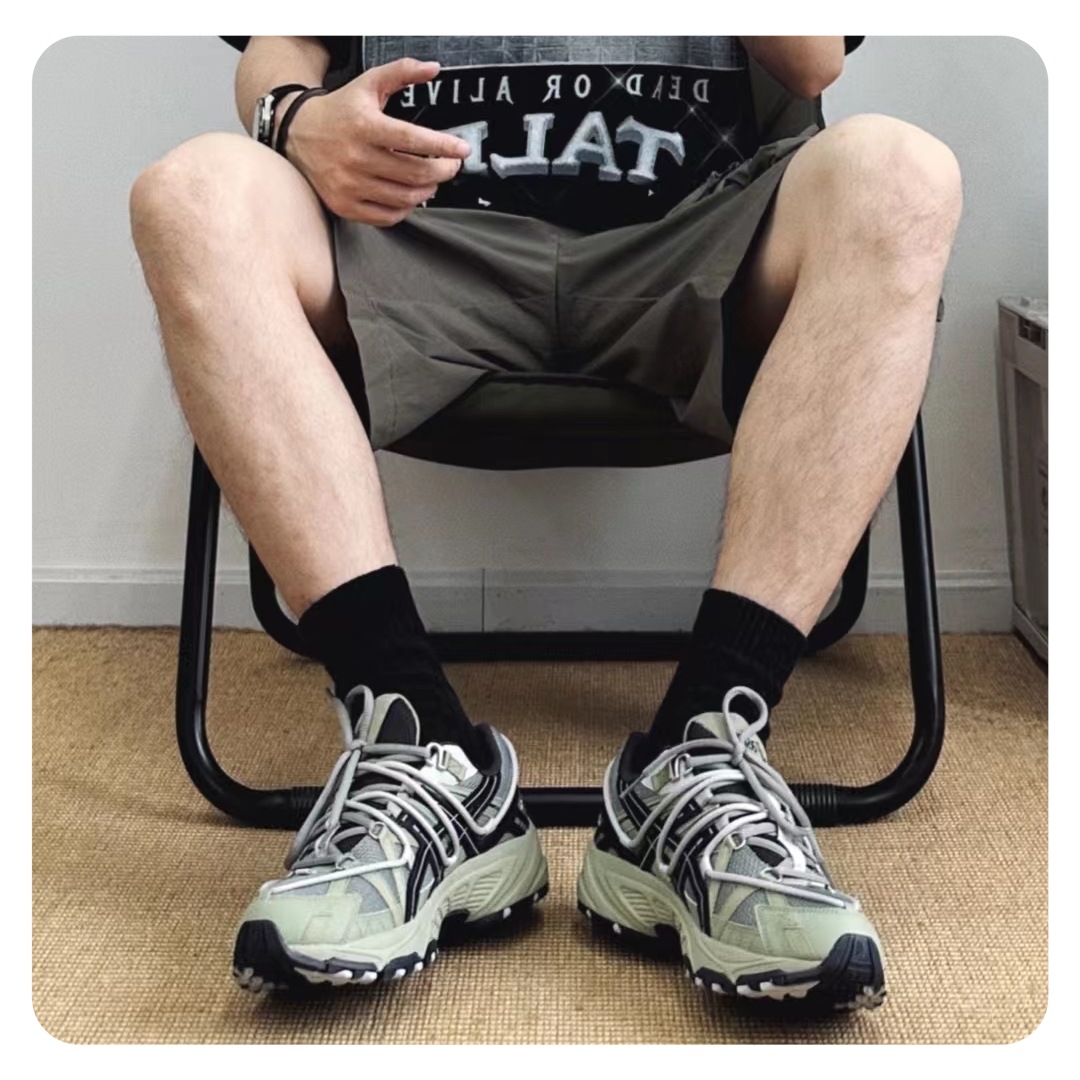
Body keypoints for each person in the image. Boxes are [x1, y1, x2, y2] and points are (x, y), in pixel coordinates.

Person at [130, 35, 961, 1011]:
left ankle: (699, 752)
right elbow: (282, 45)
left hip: (704, 234)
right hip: (408, 235)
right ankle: (418, 743)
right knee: (191, 194)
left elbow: (812, 60)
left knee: (903, 173)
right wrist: (295, 118)